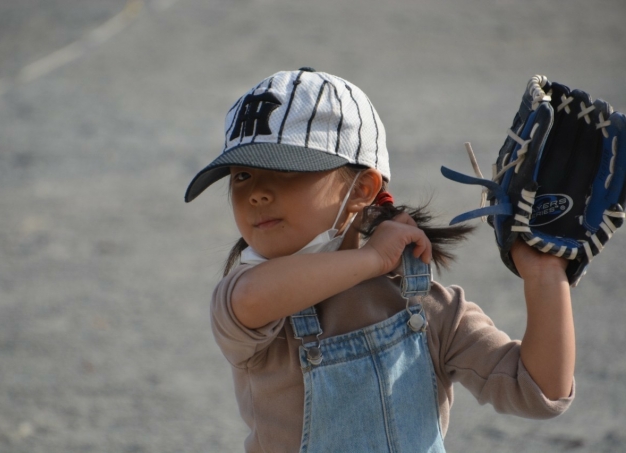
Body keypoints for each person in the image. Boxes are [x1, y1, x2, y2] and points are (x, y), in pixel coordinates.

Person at [184, 68, 575, 453]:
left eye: (285, 168)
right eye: (242, 175)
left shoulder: (423, 305)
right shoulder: (250, 298)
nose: (257, 193)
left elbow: (538, 391)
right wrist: (373, 257)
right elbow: (250, 298)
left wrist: (546, 275)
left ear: (362, 189)